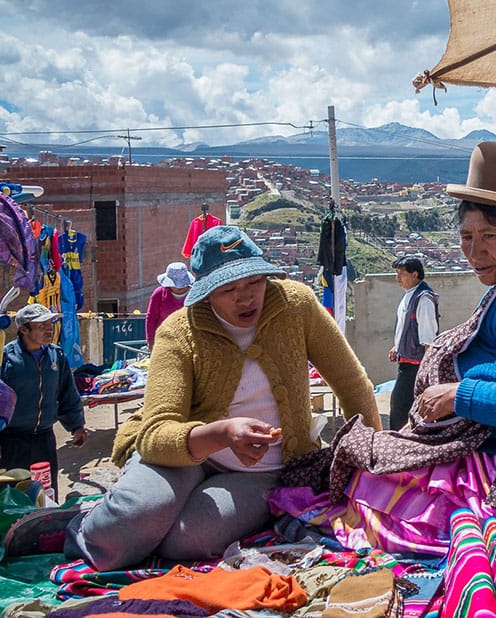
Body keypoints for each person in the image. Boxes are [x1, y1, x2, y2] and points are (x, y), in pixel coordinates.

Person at [272, 142, 496, 556]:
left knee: (368, 482)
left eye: (489, 236)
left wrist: (456, 396)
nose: (474, 251)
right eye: (466, 236)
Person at [60, 226, 382, 571]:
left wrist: (372, 462)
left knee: (189, 539)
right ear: (206, 292)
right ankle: (78, 528)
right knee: (123, 529)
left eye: (254, 282)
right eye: (229, 289)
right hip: (184, 456)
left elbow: (351, 384)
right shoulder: (180, 332)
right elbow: (154, 435)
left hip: (263, 471)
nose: (245, 298)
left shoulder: (297, 306)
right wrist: (221, 434)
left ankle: (156, 521)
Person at [0, 304, 86, 498]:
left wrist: (77, 425)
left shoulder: (56, 355)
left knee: (46, 493)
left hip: (44, 438)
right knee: (14, 495)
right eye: (41, 325)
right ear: (24, 329)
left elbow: (67, 393)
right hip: (12, 440)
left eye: (50, 323)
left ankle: (46, 527)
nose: (49, 329)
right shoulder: (6, 358)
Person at [387, 256, 438, 430]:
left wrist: (427, 369)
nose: (398, 278)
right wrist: (398, 347)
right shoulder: (409, 296)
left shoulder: (423, 299)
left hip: (416, 364)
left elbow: (428, 336)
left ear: (415, 274)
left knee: (400, 405)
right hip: (406, 360)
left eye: (401, 274)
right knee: (403, 404)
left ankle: (398, 441)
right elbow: (406, 328)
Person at [145, 261, 194, 349]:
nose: (179, 287)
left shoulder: (194, 294)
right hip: (164, 341)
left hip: (190, 341)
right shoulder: (159, 294)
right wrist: (151, 342)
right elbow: (151, 318)